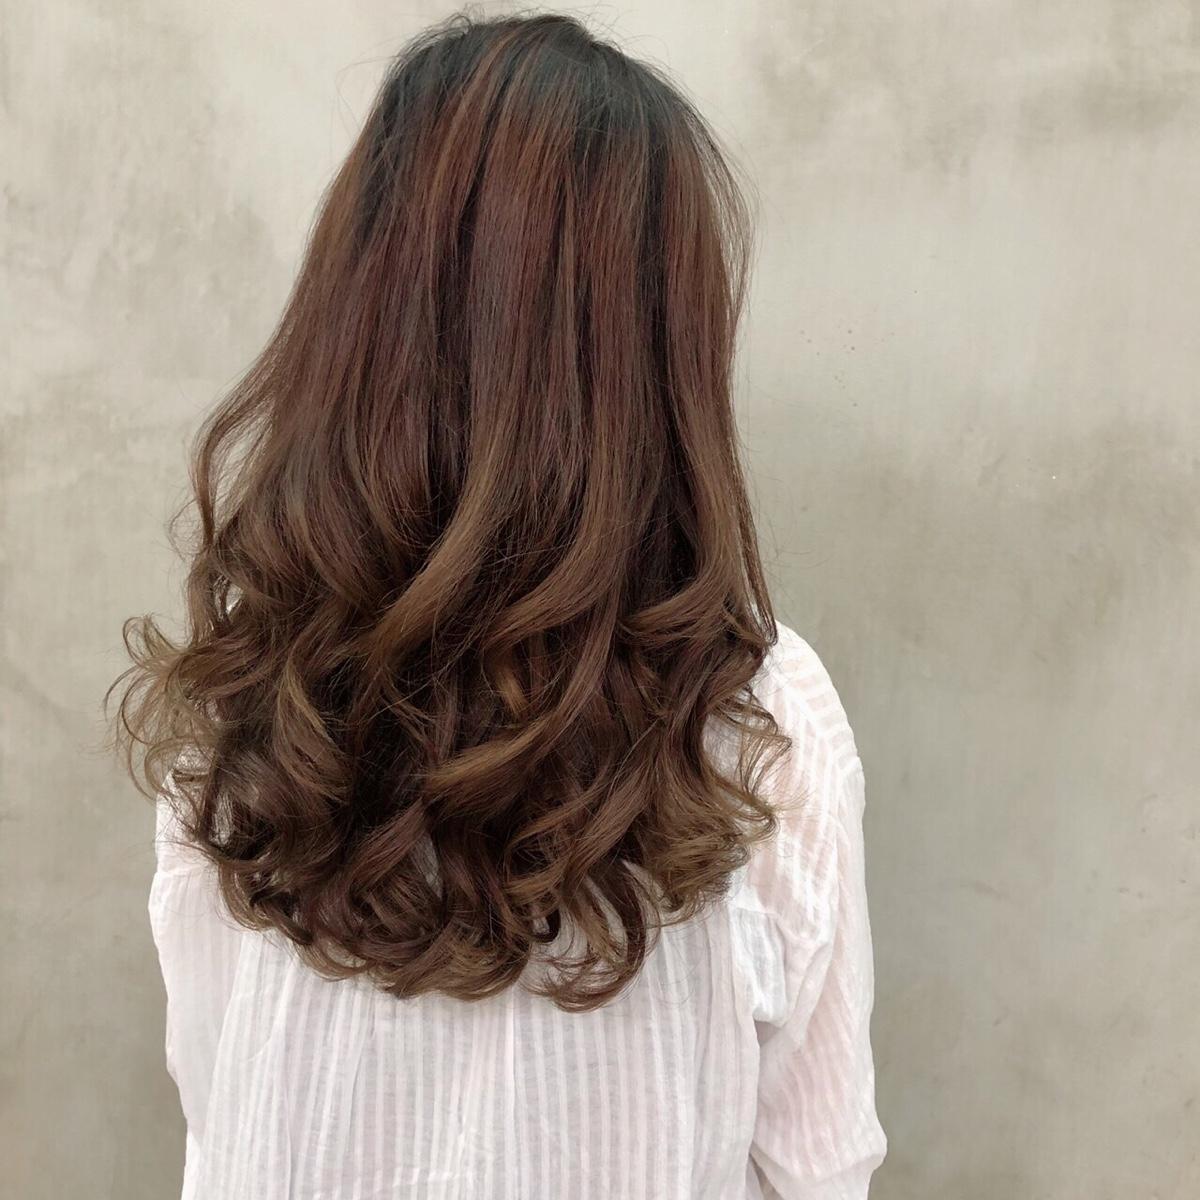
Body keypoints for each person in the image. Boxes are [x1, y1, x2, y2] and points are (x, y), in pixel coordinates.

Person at [109, 11, 887, 1198]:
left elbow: (221, 1133)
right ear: (658, 358)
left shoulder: (251, 710)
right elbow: (812, 1172)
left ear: (359, 317)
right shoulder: (758, 724)